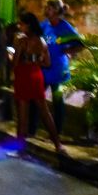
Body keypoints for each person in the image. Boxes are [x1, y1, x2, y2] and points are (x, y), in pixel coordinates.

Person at [11, 12, 63, 155]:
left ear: (28, 25)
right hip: (36, 75)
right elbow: (47, 63)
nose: (19, 26)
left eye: (21, 23)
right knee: (45, 112)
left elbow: (15, 62)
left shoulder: (22, 41)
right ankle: (58, 144)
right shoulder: (42, 41)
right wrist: (35, 61)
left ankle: (20, 149)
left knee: (23, 115)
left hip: (24, 76)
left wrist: (14, 54)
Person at [30, 0, 83, 136]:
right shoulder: (44, 25)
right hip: (45, 68)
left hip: (59, 70)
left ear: (56, 10)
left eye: (50, 8)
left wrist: (66, 51)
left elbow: (80, 45)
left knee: (58, 102)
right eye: (46, 7)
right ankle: (31, 130)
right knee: (36, 98)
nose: (46, 10)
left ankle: (56, 133)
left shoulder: (64, 27)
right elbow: (35, 39)